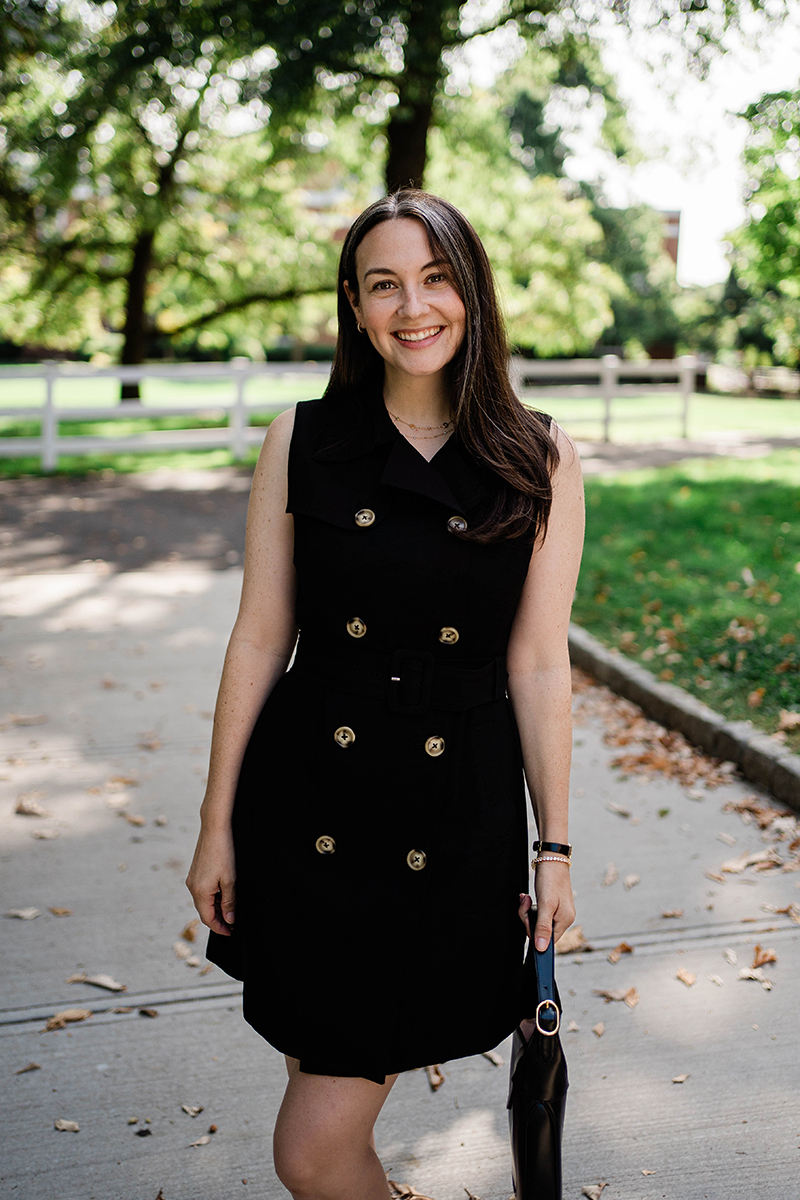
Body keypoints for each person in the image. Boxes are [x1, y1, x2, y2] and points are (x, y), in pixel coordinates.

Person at [185, 188, 584, 1200]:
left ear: (472, 291)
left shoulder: (536, 458)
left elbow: (537, 662)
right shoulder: (302, 439)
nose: (414, 306)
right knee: (323, 1115)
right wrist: (215, 821)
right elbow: (260, 635)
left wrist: (555, 849)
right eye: (383, 284)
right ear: (356, 308)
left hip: (447, 821)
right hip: (308, 803)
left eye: (436, 277)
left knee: (310, 1150)